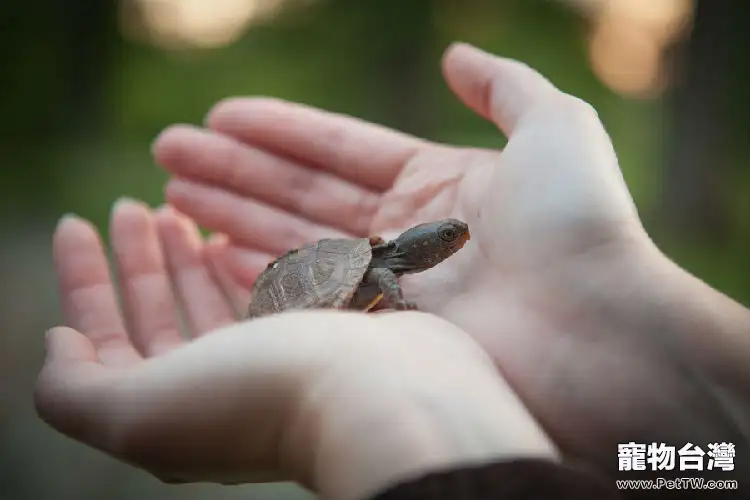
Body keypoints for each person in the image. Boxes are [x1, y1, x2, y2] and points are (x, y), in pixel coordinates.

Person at [34, 43, 750, 499]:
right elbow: (711, 469)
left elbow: (704, 467)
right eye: (446, 239)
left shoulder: (702, 465)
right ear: (423, 248)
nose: (452, 242)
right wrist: (714, 429)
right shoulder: (712, 466)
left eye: (448, 239)